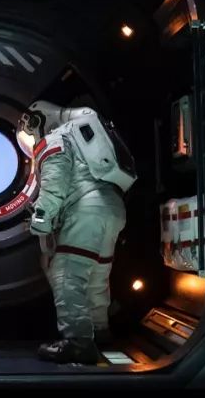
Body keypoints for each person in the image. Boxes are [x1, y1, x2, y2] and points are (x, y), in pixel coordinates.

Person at [16, 101, 136, 364]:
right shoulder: (79, 136)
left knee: (66, 273)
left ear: (37, 121)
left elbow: (54, 186)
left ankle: (78, 342)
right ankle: (100, 331)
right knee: (96, 276)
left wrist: (40, 221)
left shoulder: (54, 139)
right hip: (112, 208)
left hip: (86, 210)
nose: (31, 141)